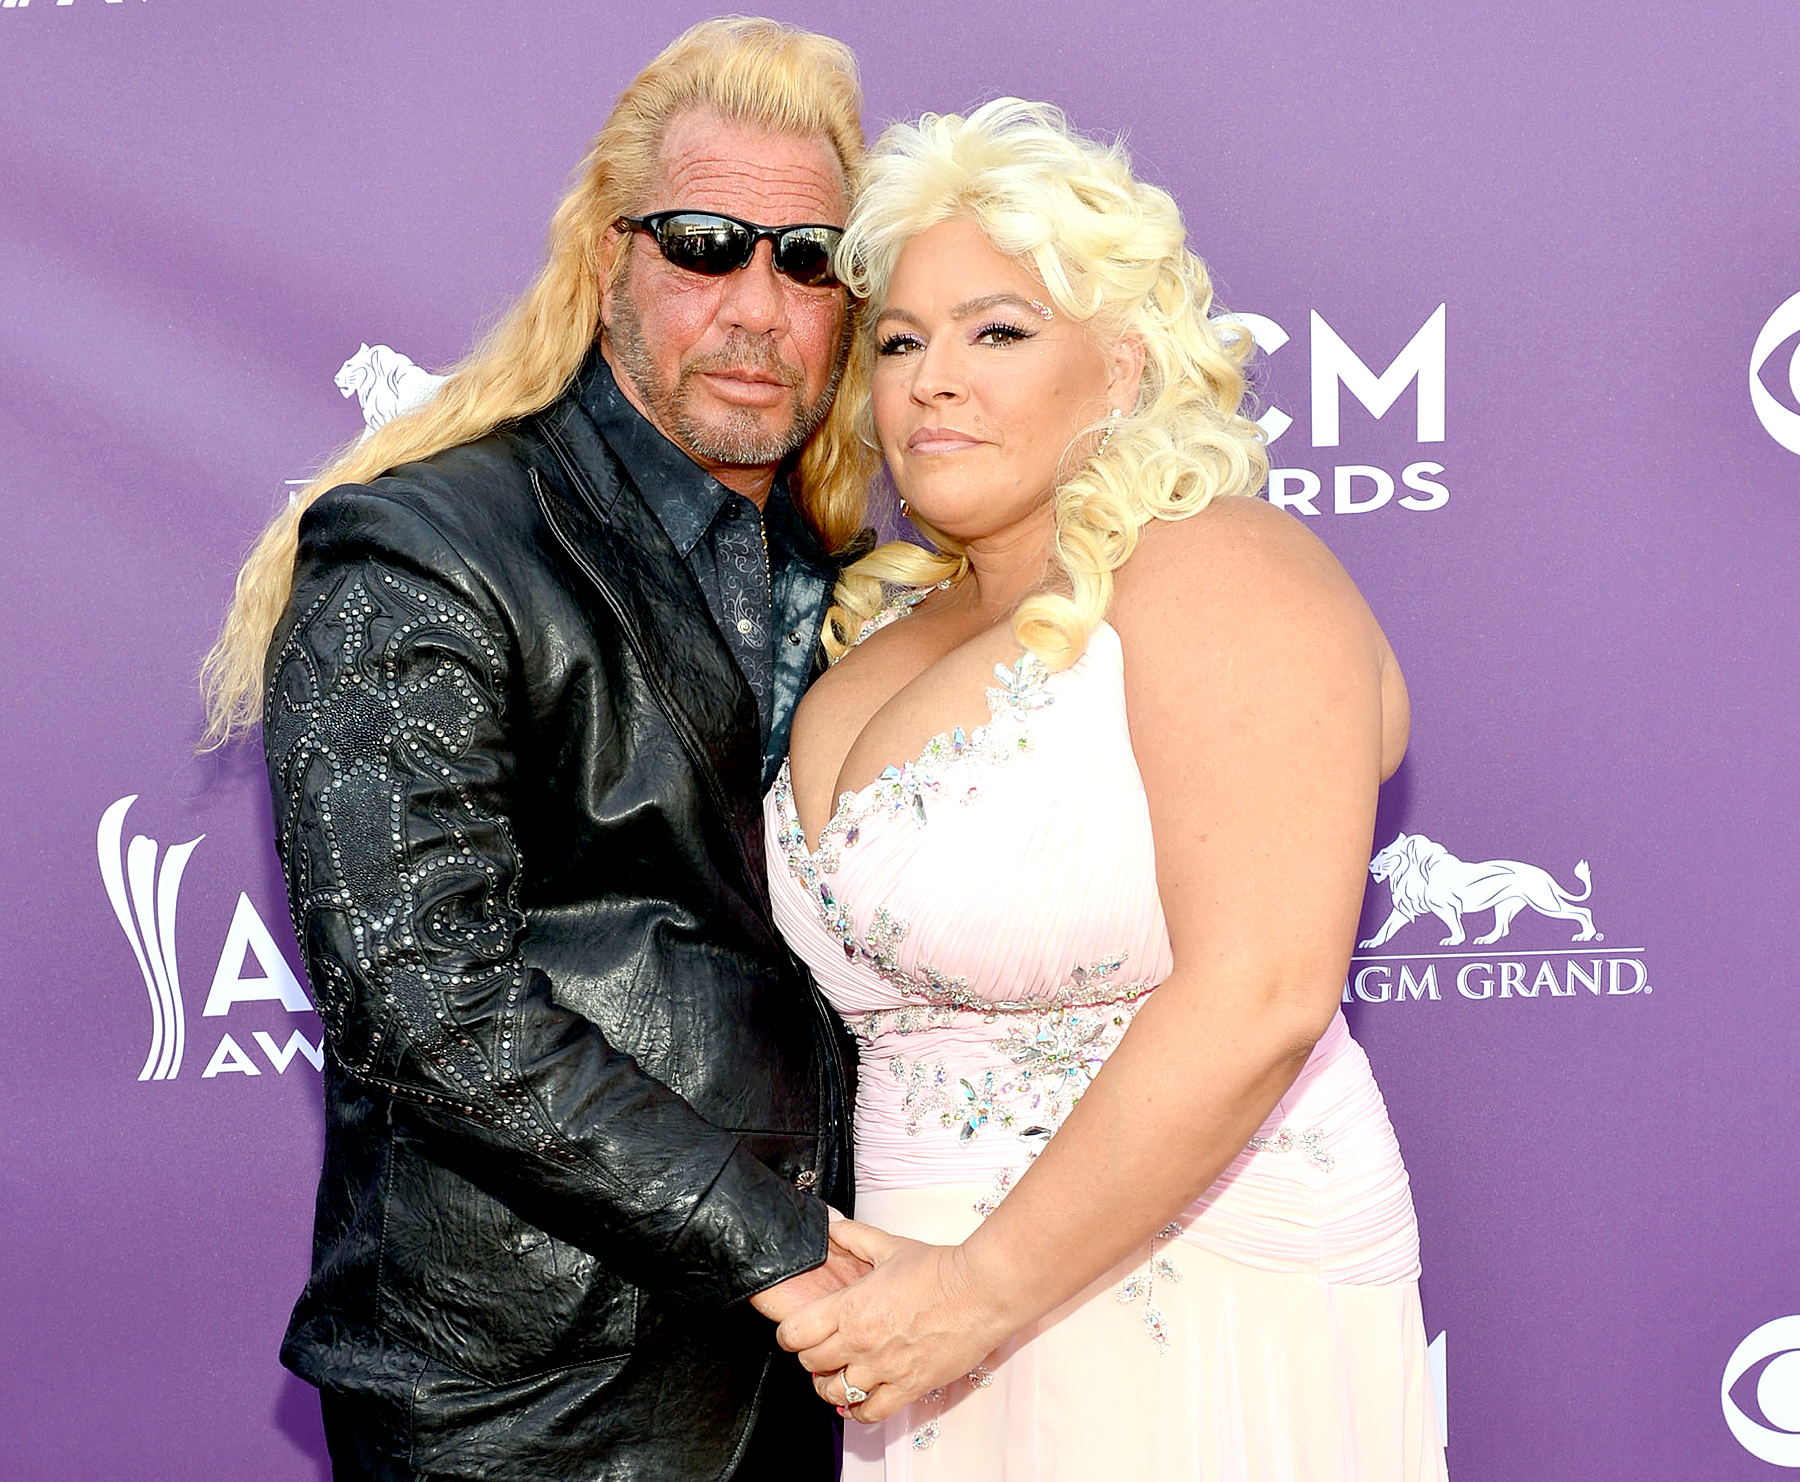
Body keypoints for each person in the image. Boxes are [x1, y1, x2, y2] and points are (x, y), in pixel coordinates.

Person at [200, 18, 882, 1481]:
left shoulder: (835, 570)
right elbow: (421, 998)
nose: (759, 302)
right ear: (606, 258)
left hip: (798, 1386)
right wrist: (784, 1244)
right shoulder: (420, 545)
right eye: (706, 243)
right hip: (526, 1407)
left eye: (812, 257)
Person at [763, 99, 1450, 1479]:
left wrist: (977, 1293)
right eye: (900, 341)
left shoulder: (1226, 570)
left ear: (1125, 365)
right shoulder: (870, 642)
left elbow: (1262, 987)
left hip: (1189, 1294)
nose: (931, 380)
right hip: (921, 1342)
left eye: (998, 331)